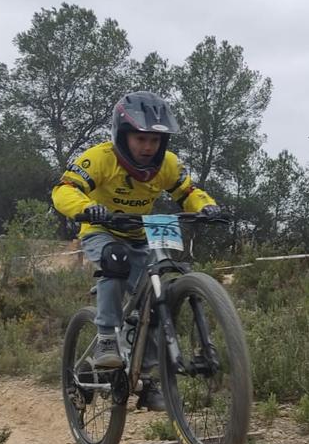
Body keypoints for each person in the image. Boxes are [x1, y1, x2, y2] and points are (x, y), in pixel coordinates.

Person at [51, 91, 220, 411]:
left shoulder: (167, 165)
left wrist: (206, 206)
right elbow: (64, 189)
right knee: (115, 260)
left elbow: (188, 192)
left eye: (155, 140)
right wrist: (86, 208)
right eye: (140, 139)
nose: (147, 147)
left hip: (142, 234)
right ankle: (106, 339)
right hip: (101, 230)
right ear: (123, 135)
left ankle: (147, 378)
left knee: (157, 298)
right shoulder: (101, 158)